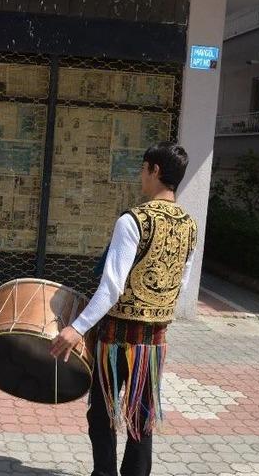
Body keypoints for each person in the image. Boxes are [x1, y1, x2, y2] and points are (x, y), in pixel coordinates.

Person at [50, 142, 197, 476]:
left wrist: (78, 327)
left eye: (143, 168)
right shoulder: (190, 225)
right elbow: (181, 286)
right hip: (155, 340)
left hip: (117, 339)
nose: (140, 176)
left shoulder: (134, 220)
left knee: (101, 412)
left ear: (155, 170)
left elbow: (112, 287)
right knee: (141, 417)